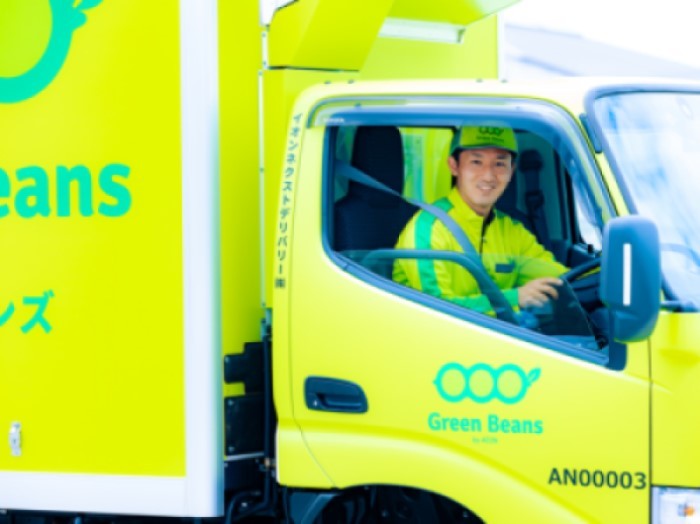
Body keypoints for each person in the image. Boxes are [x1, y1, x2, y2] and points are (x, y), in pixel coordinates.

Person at [393, 125, 568, 315]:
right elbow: (437, 309)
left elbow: (560, 278)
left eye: (499, 164)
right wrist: (515, 298)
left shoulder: (511, 230)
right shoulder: (426, 231)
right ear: (454, 166)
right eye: (476, 162)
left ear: (511, 171)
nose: (488, 176)